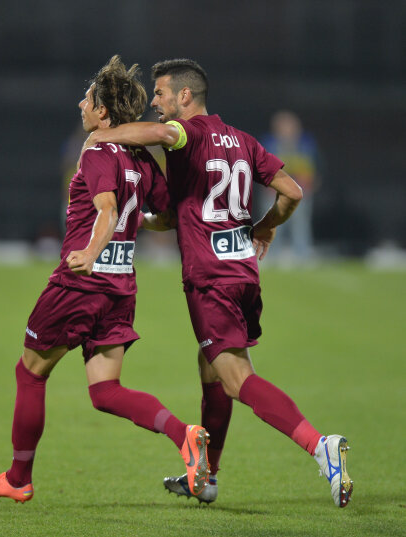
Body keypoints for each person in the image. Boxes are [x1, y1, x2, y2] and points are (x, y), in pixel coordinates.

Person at [86, 59, 353, 507]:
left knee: (236, 377)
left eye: (160, 93)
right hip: (244, 274)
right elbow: (292, 191)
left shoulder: (185, 132)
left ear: (185, 96)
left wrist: (102, 136)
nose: (155, 101)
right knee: (210, 365)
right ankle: (207, 476)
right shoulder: (245, 141)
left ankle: (320, 446)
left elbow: (159, 134)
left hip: (210, 278)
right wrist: (264, 227)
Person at [0, 56, 210, 503]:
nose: (80, 104)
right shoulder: (140, 158)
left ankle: (19, 479)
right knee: (105, 391)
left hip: (80, 285)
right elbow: (165, 215)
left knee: (30, 373)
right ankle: (184, 434)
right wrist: (133, 225)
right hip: (121, 287)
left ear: (103, 112)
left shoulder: (98, 151)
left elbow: (106, 208)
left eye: (87, 99)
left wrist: (91, 249)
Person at [259, 110, 321, 262]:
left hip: (299, 191)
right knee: (272, 225)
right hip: (274, 192)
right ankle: (270, 255)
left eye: (290, 126)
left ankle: (302, 254)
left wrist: (313, 181)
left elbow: (315, 165)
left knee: (300, 224)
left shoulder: (306, 143)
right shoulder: (268, 143)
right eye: (283, 126)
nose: (287, 130)